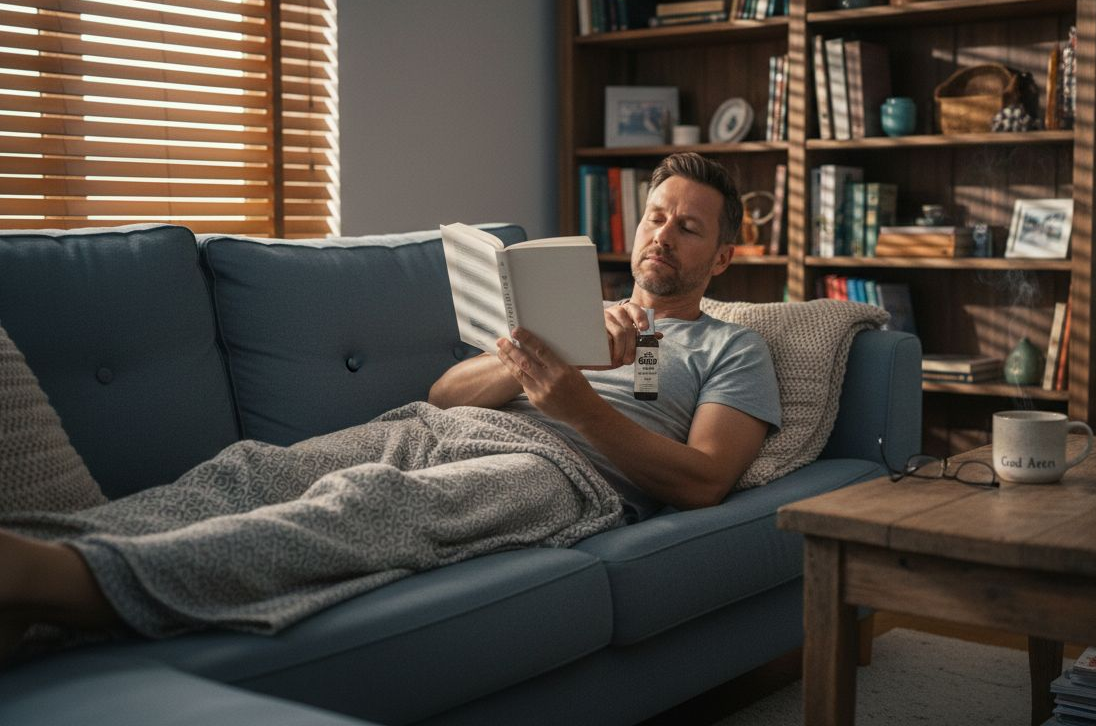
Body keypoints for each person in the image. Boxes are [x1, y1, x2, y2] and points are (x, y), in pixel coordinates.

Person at [0, 152, 780, 659]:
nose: (663, 236)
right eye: (656, 216)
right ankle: (49, 548)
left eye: (688, 227)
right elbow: (445, 391)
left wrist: (577, 408)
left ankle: (51, 581)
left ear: (721, 255)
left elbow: (706, 479)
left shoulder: (731, 349)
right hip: (440, 426)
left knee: (364, 508)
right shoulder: (573, 309)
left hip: (558, 471)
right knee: (253, 470)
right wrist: (546, 359)